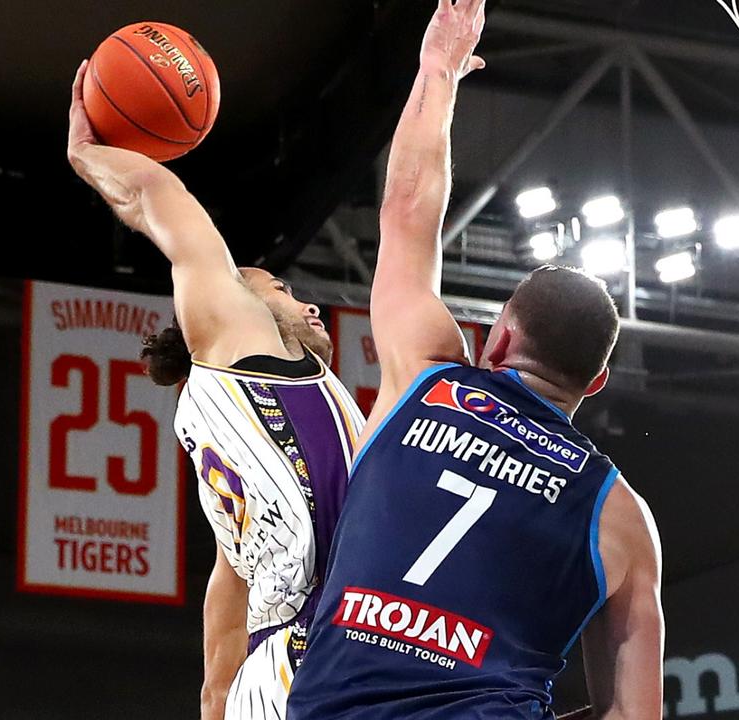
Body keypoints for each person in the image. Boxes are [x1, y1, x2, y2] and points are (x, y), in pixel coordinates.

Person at [286, 1, 664, 718]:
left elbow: (406, 206)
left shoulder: (426, 375)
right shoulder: (620, 515)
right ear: (596, 383)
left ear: (495, 340)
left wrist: (440, 71)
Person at [67, 61, 365, 720]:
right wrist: (88, 152)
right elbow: (153, 194)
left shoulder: (236, 422)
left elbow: (230, 581)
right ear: (241, 305)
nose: (310, 307)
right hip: (320, 653)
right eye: (283, 292)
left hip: (282, 661)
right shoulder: (237, 342)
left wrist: (216, 697)